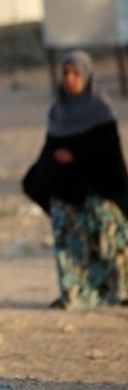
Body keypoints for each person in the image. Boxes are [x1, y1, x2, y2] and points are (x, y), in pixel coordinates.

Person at [22, 50, 128, 310]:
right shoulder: (57, 112)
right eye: (66, 73)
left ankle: (118, 291)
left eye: (76, 73)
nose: (70, 79)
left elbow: (110, 157)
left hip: (100, 188)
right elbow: (48, 153)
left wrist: (77, 156)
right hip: (67, 188)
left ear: (87, 76)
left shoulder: (101, 110)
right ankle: (75, 293)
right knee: (65, 221)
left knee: (105, 221)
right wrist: (56, 159)